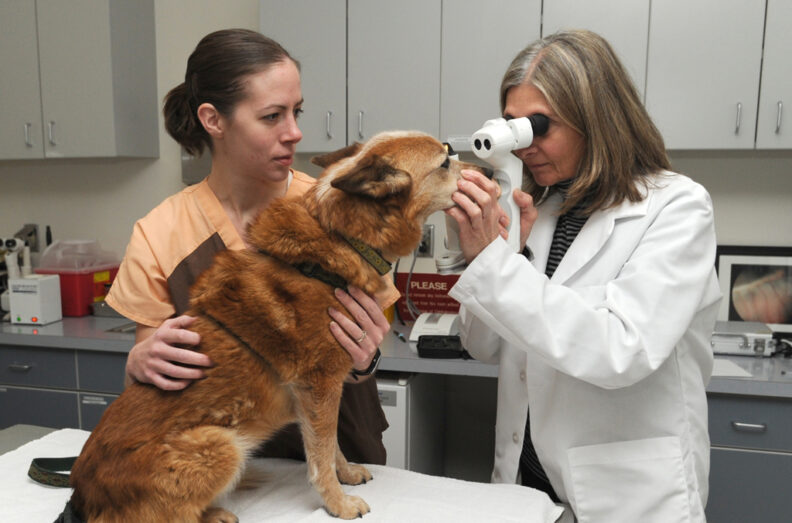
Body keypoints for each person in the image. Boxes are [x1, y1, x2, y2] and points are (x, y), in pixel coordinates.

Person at [445, 30, 721, 521]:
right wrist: (483, 251)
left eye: (538, 126)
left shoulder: (677, 208)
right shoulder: (538, 208)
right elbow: (483, 346)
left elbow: (621, 349)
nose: (524, 145)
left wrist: (497, 267)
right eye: (512, 125)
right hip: (527, 490)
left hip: (626, 497)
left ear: (596, 117)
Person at [105, 29, 396, 465]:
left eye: (297, 112)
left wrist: (366, 357)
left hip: (340, 460)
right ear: (213, 120)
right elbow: (155, 381)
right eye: (272, 116)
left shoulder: (339, 210)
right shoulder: (160, 233)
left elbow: (372, 345)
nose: (295, 133)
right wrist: (139, 363)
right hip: (227, 468)